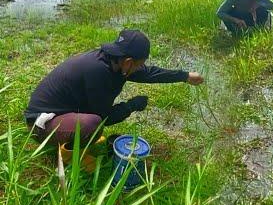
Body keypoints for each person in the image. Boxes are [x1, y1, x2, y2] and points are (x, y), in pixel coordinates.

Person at [24, 29, 204, 171]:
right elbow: (104, 117)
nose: (141, 67)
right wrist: (131, 106)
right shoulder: (99, 72)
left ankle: (73, 133)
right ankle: (67, 154)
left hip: (62, 112)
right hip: (41, 124)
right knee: (93, 125)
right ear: (128, 61)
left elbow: (149, 74)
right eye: (140, 64)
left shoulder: (113, 61)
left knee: (93, 124)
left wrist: (185, 76)